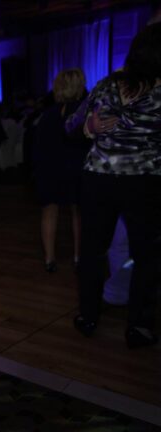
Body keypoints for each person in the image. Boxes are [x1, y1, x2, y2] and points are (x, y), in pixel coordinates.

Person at [66, 22, 161, 348]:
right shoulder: (117, 86)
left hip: (100, 179)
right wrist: (90, 126)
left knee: (94, 251)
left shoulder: (107, 85)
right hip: (142, 181)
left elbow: (72, 126)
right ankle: (139, 325)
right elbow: (72, 126)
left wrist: (88, 127)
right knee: (146, 256)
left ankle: (88, 316)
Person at [33, 68, 90, 273]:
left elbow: (39, 146)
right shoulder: (83, 114)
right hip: (76, 166)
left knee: (49, 210)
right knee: (78, 211)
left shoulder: (48, 114)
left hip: (50, 167)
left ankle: (50, 259)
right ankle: (78, 256)